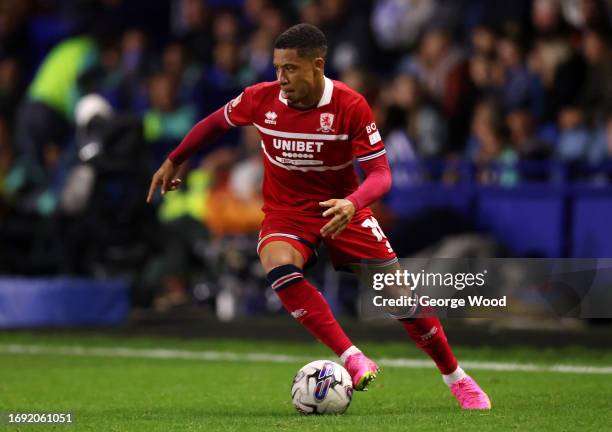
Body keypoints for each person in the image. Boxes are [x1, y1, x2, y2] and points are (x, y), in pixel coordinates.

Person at [147, 23, 490, 409]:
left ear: (317, 65)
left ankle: (456, 378)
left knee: (401, 298)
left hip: (342, 209)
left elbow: (381, 174)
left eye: (290, 68)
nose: (281, 79)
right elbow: (214, 124)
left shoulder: (350, 104)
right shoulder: (259, 99)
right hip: (287, 213)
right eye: (276, 68)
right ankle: (351, 356)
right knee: (277, 264)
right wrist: (174, 159)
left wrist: (353, 204)